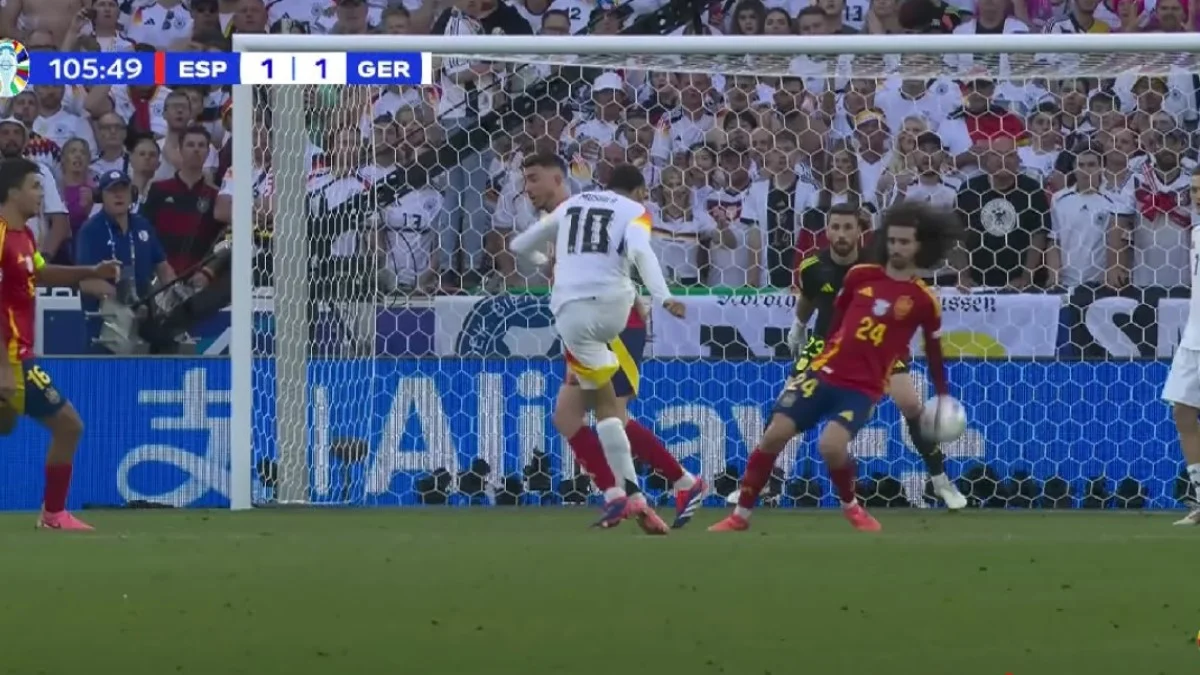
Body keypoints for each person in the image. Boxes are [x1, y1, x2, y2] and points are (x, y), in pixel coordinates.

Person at [710, 201, 960, 533]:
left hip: (870, 372)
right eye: (892, 241)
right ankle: (752, 500)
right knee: (776, 426)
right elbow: (830, 313)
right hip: (826, 357)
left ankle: (936, 480)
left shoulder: (916, 294)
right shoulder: (842, 273)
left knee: (900, 410)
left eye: (904, 242)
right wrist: (802, 331)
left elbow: (933, 349)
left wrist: (942, 394)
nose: (896, 248)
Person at [519, 153, 707, 531]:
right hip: (583, 323)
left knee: (613, 414)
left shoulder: (583, 212)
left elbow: (627, 260)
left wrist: (648, 296)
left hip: (614, 326)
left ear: (558, 180)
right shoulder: (563, 221)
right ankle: (625, 495)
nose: (527, 189)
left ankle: (664, 487)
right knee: (567, 417)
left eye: (534, 179)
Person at [785, 204, 968, 510]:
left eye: (848, 227)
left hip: (878, 346)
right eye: (835, 227)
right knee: (788, 402)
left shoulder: (876, 267)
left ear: (861, 231)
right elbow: (808, 298)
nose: (841, 234)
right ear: (827, 230)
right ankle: (768, 481)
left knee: (911, 404)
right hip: (827, 343)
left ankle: (940, 480)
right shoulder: (813, 266)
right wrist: (798, 327)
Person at [0, 158, 120, 530]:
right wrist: (3, 367)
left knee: (9, 426)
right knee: (69, 425)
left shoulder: (25, 235)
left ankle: (53, 514)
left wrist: (91, 270)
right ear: (13, 192)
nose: (41, 194)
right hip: (11, 357)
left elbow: (40, 271)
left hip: (19, 355)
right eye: (35, 186)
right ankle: (53, 514)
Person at [1162, 165, 1200, 526]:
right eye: (1194, 189)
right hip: (1194, 337)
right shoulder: (1197, 233)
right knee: (1182, 413)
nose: (1197, 196)